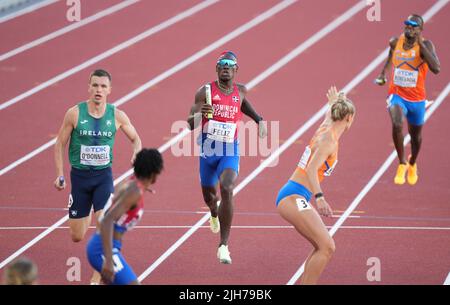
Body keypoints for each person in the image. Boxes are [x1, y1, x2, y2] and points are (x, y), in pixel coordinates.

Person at [53, 69, 142, 283]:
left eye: (103, 86)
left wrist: (136, 153)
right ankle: (88, 214)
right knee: (77, 236)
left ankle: (96, 278)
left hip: (103, 178)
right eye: (95, 85)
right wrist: (59, 174)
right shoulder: (74, 113)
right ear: (89, 87)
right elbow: (59, 143)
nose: (98, 90)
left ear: (109, 90)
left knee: (104, 228)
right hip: (80, 179)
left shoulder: (117, 115)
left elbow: (136, 139)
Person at [187, 51, 267, 264]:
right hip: (208, 152)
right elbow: (190, 123)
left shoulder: (240, 91)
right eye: (221, 64)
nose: (225, 67)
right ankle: (213, 212)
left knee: (228, 187)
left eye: (230, 64)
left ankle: (223, 245)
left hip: (229, 151)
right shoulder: (204, 91)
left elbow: (243, 104)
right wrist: (199, 114)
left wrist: (259, 120)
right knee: (209, 197)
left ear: (236, 70)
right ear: (216, 68)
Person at [276, 86, 355, 284]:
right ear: (349, 118)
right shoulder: (329, 140)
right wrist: (320, 198)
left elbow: (329, 114)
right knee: (328, 247)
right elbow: (311, 169)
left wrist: (333, 102)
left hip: (295, 195)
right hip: (293, 197)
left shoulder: (326, 127)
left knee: (323, 247)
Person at [375, 14, 440, 185]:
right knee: (397, 123)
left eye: (413, 26)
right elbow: (391, 55)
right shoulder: (395, 42)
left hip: (417, 99)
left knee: (416, 137)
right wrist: (383, 73)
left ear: (420, 29)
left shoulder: (426, 45)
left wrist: (420, 44)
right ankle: (402, 163)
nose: (409, 28)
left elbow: (436, 68)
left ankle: (412, 163)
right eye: (407, 25)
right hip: (397, 95)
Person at [86, 148, 163, 285]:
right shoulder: (134, 192)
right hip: (101, 250)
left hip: (107, 247)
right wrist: (109, 261)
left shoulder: (132, 183)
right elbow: (107, 220)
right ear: (153, 173)